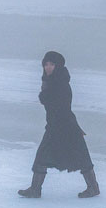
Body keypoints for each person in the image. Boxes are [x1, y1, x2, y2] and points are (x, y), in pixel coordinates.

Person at [18, 51, 100, 199]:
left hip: (63, 126)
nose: (48, 67)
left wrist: (72, 126)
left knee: (77, 157)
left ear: (58, 66)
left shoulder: (59, 84)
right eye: (46, 64)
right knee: (48, 157)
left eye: (52, 64)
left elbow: (62, 108)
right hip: (58, 125)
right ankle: (36, 189)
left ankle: (93, 188)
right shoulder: (52, 81)